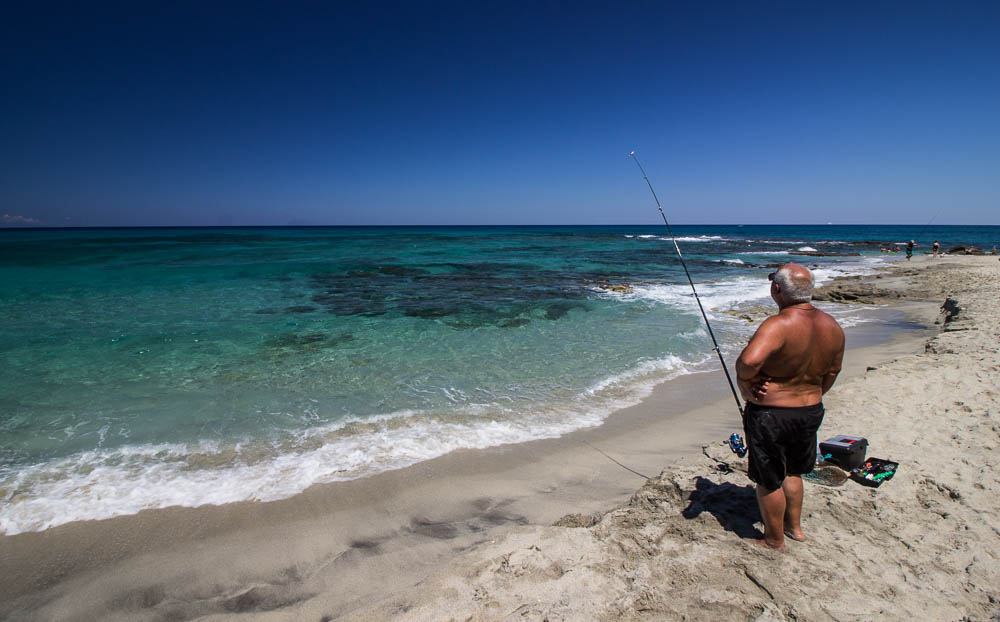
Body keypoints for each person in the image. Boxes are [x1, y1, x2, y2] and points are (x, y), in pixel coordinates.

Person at [736, 264, 845, 551]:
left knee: (769, 480)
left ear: (776, 290)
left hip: (772, 414)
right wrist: (814, 392)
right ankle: (794, 528)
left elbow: (749, 362)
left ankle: (773, 539)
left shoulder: (778, 324)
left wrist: (746, 383)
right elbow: (833, 371)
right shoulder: (831, 325)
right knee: (794, 472)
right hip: (810, 410)